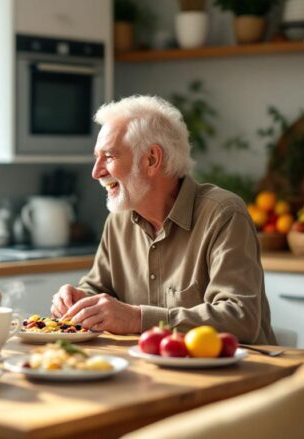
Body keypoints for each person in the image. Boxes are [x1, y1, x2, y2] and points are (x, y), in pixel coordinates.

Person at [50, 95, 276, 344]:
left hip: (242, 374)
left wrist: (137, 319)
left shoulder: (223, 214)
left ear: (151, 159)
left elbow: (240, 319)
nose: (96, 172)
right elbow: (100, 289)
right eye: (97, 157)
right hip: (155, 370)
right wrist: (81, 299)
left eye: (110, 156)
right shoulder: (119, 219)